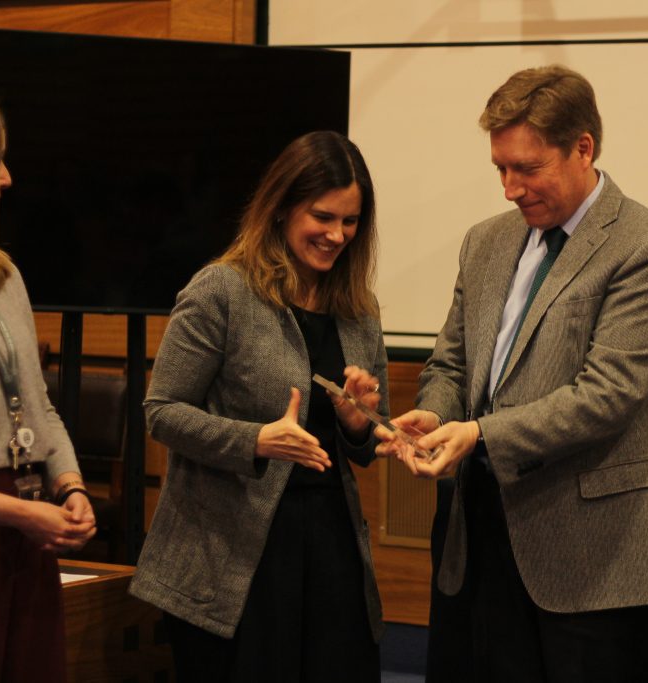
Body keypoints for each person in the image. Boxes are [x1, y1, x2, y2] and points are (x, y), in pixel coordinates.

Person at [379, 65, 648, 681]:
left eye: (527, 169)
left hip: (591, 556)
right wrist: (438, 413)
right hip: (478, 538)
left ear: (583, 148)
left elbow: (605, 396)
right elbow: (451, 360)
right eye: (500, 168)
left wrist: (478, 435)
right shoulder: (486, 242)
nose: (509, 188)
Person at [129, 130, 387, 682]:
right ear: (281, 207)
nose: (337, 234)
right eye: (323, 217)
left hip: (330, 545)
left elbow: (364, 451)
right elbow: (162, 411)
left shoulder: (359, 310)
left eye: (350, 221)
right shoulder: (221, 290)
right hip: (231, 554)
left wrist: (358, 426)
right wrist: (255, 441)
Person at [0, 83, 97, 682]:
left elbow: (38, 408)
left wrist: (71, 486)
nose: (7, 179)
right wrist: (20, 515)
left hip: (24, 535)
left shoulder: (4, 276)